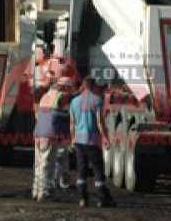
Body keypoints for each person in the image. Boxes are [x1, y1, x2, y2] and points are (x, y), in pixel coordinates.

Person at [69, 76, 115, 208]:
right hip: (93, 140)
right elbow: (100, 122)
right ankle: (102, 199)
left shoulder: (74, 102)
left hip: (79, 140)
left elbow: (72, 123)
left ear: (83, 86)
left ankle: (83, 199)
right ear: (93, 87)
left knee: (81, 169)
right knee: (98, 169)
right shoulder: (97, 100)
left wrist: (72, 139)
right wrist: (105, 138)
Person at [32, 77, 69, 202]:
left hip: (38, 132)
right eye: (68, 88)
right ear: (63, 87)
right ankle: (44, 192)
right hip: (49, 134)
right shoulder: (60, 96)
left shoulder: (45, 96)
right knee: (47, 164)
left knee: (38, 164)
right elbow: (63, 117)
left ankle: (36, 190)